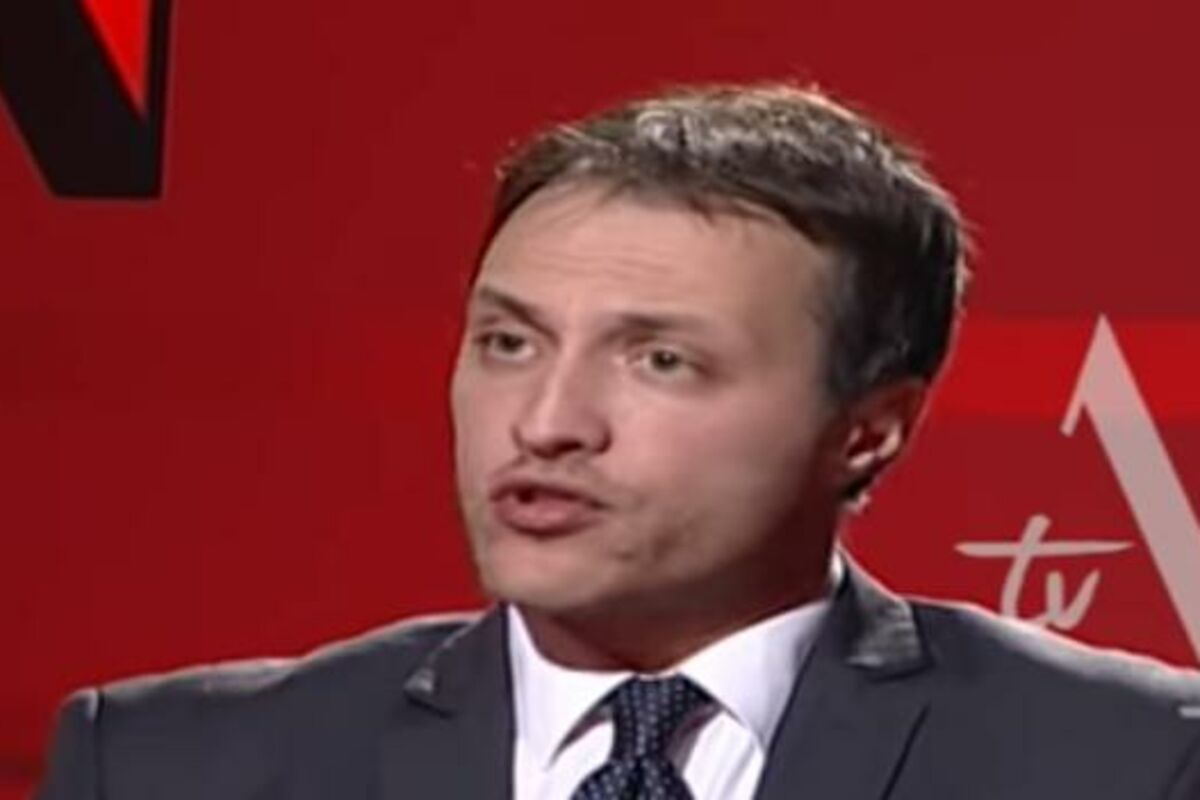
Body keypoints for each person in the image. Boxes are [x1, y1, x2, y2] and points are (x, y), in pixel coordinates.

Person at [36, 83, 1200, 800]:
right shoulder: (162, 766)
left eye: (660, 360)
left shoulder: (1128, 761)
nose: (546, 421)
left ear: (870, 427)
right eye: (508, 342)